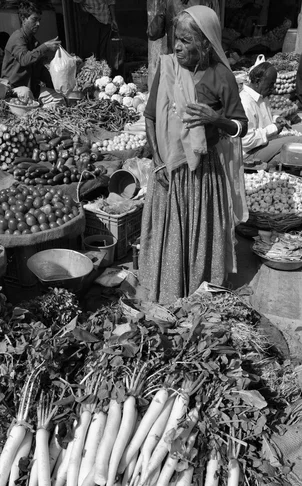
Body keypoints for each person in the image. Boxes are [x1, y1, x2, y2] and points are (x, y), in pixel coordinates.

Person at [139, 6, 248, 305]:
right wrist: (158, 161)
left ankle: (195, 296)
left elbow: (242, 128)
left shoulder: (221, 77)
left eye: (186, 41)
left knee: (197, 235)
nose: (177, 46)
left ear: (205, 43)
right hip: (167, 168)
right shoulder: (169, 67)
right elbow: (150, 116)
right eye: (177, 38)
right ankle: (165, 291)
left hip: (202, 173)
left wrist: (217, 120)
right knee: (168, 233)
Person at [240, 61, 302, 165]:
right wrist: (273, 128)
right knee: (298, 142)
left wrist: (276, 119)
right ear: (258, 82)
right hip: (250, 152)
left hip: (264, 144)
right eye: (271, 84)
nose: (273, 88)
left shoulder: (261, 96)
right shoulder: (245, 102)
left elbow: (264, 116)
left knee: (293, 154)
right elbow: (247, 141)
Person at [1, 0, 62, 101]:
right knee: (26, 93)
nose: (38, 24)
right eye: (34, 19)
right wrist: (45, 47)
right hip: (13, 89)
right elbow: (24, 60)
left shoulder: (33, 42)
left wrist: (55, 84)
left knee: (58, 98)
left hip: (31, 87)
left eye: (39, 20)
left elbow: (40, 69)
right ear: (23, 19)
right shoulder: (17, 38)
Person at [148, 0, 220, 54]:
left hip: (176, 60)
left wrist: (163, 10)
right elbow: (216, 37)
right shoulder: (211, 1)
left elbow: (152, 33)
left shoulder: (169, 1)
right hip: (200, 62)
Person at [73, 0, 118, 66]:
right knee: (93, 52)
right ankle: (94, 71)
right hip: (93, 18)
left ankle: (102, 70)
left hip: (105, 19)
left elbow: (111, 2)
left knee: (101, 52)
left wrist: (113, 19)